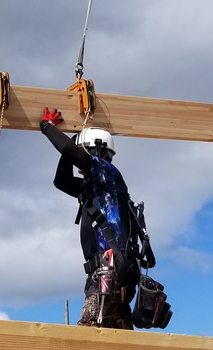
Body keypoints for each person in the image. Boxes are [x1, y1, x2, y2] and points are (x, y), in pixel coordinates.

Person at [40, 107, 144, 329]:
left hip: (109, 273)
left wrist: (47, 127)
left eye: (83, 153)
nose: (80, 162)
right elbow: (61, 181)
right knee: (118, 340)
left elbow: (69, 149)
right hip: (110, 274)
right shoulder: (96, 188)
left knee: (88, 337)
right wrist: (70, 146)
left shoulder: (106, 172)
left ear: (95, 151)